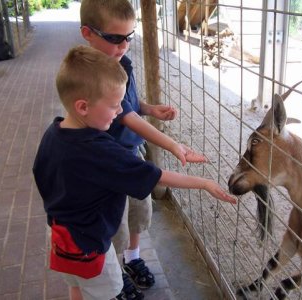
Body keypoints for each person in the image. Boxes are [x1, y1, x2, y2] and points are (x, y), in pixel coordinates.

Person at [32, 45, 236, 300]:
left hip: (62, 237)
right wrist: (203, 183)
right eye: (115, 105)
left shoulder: (54, 134)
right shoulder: (100, 150)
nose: (120, 112)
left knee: (77, 286)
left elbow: (40, 175)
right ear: (83, 107)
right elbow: (154, 175)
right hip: (90, 244)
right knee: (107, 292)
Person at [78, 1, 206, 297]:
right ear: (88, 33)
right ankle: (116, 273)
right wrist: (173, 145)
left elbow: (131, 105)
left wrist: (150, 108)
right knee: (115, 222)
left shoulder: (122, 62)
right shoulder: (91, 73)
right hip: (108, 162)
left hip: (131, 153)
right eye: (114, 38)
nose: (124, 45)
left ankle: (132, 258)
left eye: (129, 37)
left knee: (138, 210)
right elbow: (126, 116)